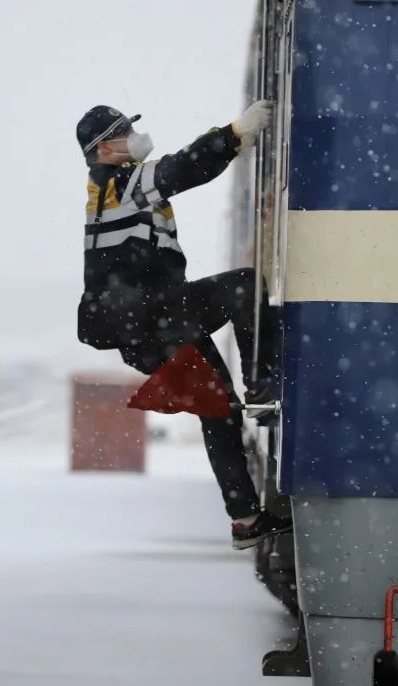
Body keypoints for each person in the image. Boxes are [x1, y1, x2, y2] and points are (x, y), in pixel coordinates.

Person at [75, 102, 291, 550]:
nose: (135, 135)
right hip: (152, 318)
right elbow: (182, 168)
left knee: (218, 407)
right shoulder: (118, 184)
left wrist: (232, 146)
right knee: (245, 287)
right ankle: (262, 382)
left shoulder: (118, 187)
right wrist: (233, 133)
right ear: (104, 148)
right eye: (123, 132)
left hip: (151, 323)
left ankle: (246, 519)